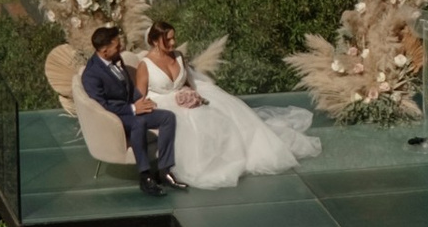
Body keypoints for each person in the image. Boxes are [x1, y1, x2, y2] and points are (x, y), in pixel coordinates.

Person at [132, 19, 322, 187]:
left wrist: (193, 95)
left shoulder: (179, 56)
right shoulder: (145, 65)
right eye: (168, 39)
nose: (173, 43)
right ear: (155, 41)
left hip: (185, 95)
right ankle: (202, 165)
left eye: (174, 38)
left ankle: (238, 155)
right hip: (163, 102)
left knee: (223, 110)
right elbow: (140, 95)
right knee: (195, 120)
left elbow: (188, 81)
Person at [79, 20, 175, 188]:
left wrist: (140, 99)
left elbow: (127, 88)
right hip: (115, 117)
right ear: (104, 51)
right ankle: (145, 176)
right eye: (117, 47)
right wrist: (132, 108)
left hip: (131, 108)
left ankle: (164, 170)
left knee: (168, 117)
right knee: (139, 122)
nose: (121, 48)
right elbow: (101, 107)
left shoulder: (116, 59)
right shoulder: (91, 75)